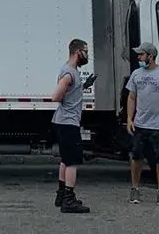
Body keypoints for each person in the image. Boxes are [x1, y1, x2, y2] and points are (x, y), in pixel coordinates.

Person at [126, 41, 159, 204]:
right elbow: (131, 97)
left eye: (141, 54)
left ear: (151, 56)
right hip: (140, 124)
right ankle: (135, 189)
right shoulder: (136, 74)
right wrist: (129, 118)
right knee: (137, 157)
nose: (139, 57)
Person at [51, 37, 91, 213]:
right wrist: (65, 97)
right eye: (86, 51)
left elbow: (69, 92)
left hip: (63, 121)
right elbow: (56, 96)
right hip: (68, 123)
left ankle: (61, 195)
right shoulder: (69, 73)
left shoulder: (70, 70)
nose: (87, 55)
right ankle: (69, 199)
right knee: (72, 162)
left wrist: (83, 87)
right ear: (78, 52)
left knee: (65, 160)